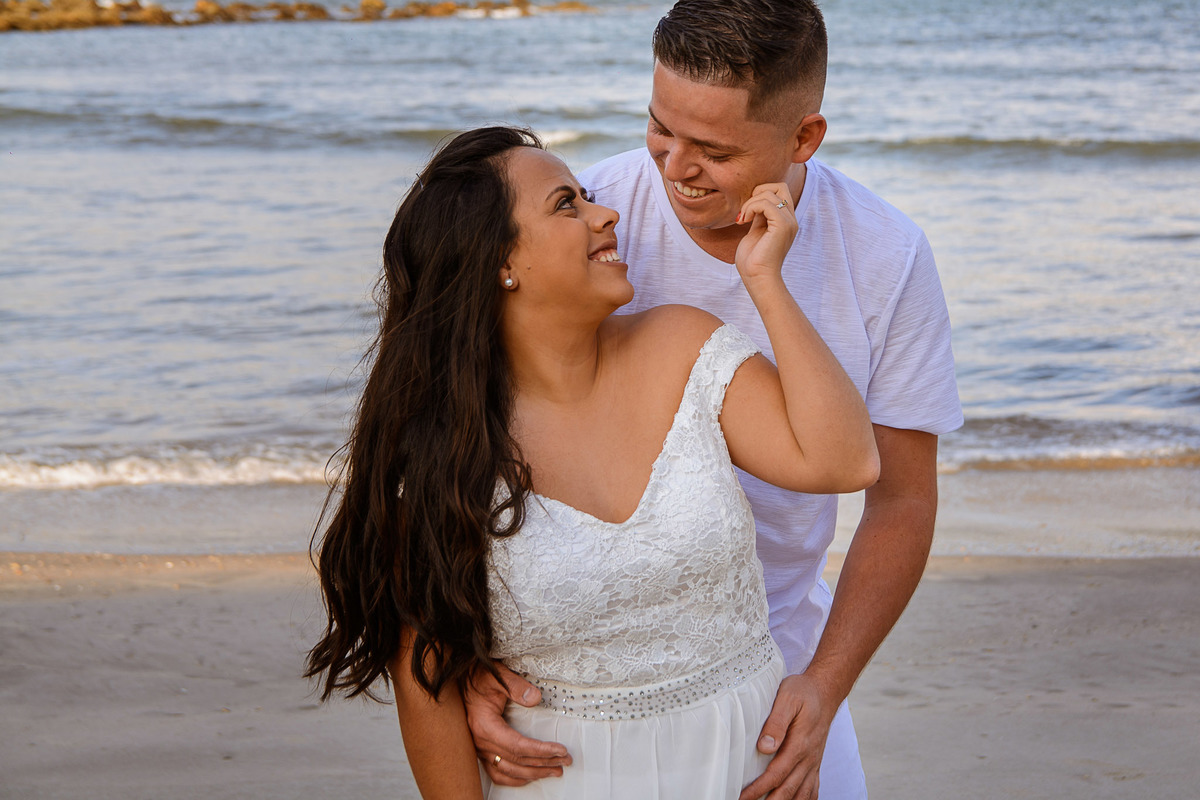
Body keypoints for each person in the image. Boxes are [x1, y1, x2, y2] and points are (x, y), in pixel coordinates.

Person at [465, 2, 964, 799]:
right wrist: (460, 661)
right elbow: (466, 440)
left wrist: (826, 682)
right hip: (585, 667)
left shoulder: (885, 253)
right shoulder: (597, 223)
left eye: (714, 150)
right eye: (661, 127)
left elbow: (901, 498)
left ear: (803, 138)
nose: (672, 168)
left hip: (781, 658)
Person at [305, 126, 879, 798]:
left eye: (588, 196)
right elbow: (423, 675)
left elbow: (844, 461)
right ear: (499, 262)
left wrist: (763, 280)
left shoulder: (684, 345)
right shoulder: (443, 453)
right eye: (565, 205)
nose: (605, 216)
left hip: (752, 770)